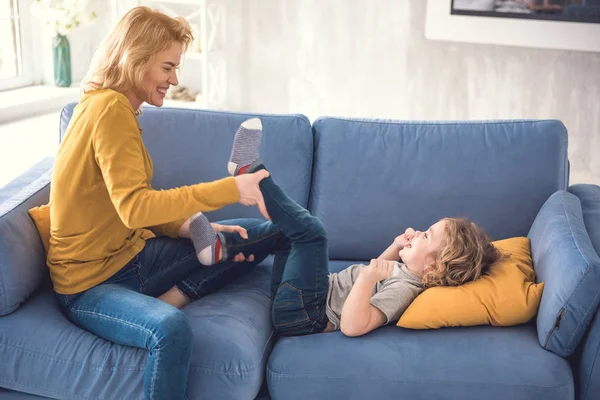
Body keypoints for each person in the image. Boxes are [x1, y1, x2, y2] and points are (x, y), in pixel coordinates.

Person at [48, 7, 276, 400]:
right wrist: (229, 189)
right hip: (88, 284)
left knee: (255, 234)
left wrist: (191, 226)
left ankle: (175, 292)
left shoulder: (117, 108)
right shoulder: (108, 110)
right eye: (167, 67)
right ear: (135, 60)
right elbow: (136, 208)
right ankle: (168, 303)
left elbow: (125, 211)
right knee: (169, 330)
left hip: (131, 257)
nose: (175, 79)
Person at [193, 117, 504, 338]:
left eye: (428, 236)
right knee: (285, 231)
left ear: (434, 265)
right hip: (299, 298)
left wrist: (367, 280)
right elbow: (377, 269)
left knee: (312, 233)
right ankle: (220, 248)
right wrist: (394, 249)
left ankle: (252, 173)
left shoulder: (406, 289)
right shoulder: (403, 273)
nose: (419, 232)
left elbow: (353, 326)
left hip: (305, 313)